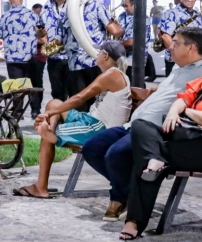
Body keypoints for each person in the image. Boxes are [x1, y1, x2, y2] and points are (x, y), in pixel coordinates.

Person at [81, 27, 202, 222]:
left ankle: (121, 197)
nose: (170, 47)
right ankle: (130, 191)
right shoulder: (177, 68)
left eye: (176, 43)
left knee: (116, 154)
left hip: (156, 129)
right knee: (92, 148)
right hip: (134, 124)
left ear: (190, 48)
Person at [119, 47, 202, 240]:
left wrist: (187, 112)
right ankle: (154, 159)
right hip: (185, 139)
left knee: (143, 160)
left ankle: (134, 222)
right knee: (141, 125)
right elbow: (183, 100)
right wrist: (175, 112)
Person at [14, 41, 131, 200]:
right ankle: (50, 129)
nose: (96, 54)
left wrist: (50, 114)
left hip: (100, 128)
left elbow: (79, 98)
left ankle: (52, 137)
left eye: (99, 52)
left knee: (52, 115)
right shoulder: (114, 74)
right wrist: (52, 114)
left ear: (106, 56)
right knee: (54, 103)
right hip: (91, 119)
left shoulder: (113, 74)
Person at [69, 0, 122, 111]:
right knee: (97, 103)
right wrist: (120, 29)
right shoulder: (95, 4)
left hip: (74, 63)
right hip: (96, 61)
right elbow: (114, 31)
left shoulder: (67, 7)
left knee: (78, 103)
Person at [158, 0, 202, 75]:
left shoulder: (198, 15)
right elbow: (165, 36)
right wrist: (179, 56)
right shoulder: (172, 13)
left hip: (195, 61)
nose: (190, 0)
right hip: (176, 62)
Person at [0, 0, 38, 89]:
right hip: (30, 58)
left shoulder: (4, 16)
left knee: (17, 89)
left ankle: (17, 104)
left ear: (10, 2)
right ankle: (35, 104)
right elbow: (39, 31)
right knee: (33, 88)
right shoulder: (32, 14)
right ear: (22, 1)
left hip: (12, 58)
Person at [41, 0, 71, 102]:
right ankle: (58, 119)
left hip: (71, 58)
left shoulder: (73, 5)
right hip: (54, 58)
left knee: (73, 92)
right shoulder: (47, 6)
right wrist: (47, 45)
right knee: (57, 93)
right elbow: (41, 33)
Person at [118, 0, 155, 82]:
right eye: (123, 6)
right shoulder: (122, 16)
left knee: (135, 86)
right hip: (121, 58)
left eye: (126, 6)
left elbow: (132, 42)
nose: (125, 8)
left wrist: (116, 46)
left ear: (134, 4)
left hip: (135, 59)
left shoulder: (142, 18)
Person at [30, 3, 47, 100]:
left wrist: (31, 39)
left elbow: (44, 41)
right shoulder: (30, 24)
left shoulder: (42, 26)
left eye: (38, 13)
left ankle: (36, 107)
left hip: (40, 57)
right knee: (30, 83)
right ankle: (33, 105)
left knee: (37, 82)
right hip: (30, 58)